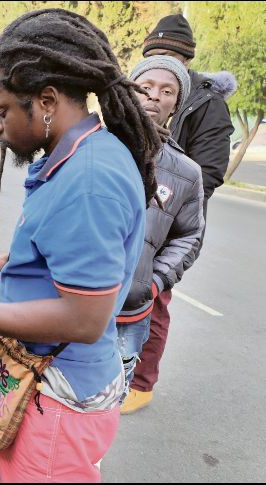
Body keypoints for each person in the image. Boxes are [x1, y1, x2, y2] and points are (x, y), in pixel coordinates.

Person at [0, 9, 163, 482]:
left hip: (58, 403)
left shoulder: (89, 179)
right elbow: (74, 253)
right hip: (48, 392)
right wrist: (10, 265)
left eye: (2, 111)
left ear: (47, 101)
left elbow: (84, 318)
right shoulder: (79, 154)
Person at [129, 13, 237, 414]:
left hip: (170, 220)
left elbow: (209, 173)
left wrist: (167, 193)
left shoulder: (207, 104)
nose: (162, 64)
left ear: (187, 61)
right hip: (130, 213)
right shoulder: (137, 95)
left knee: (152, 302)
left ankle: (142, 382)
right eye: (153, 55)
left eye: (171, 57)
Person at [117, 56, 204, 402]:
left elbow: (189, 236)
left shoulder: (187, 172)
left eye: (167, 91)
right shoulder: (94, 145)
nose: (155, 96)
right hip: (70, 302)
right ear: (129, 91)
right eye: (146, 86)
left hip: (130, 313)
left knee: (109, 399)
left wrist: (153, 282)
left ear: (176, 105)